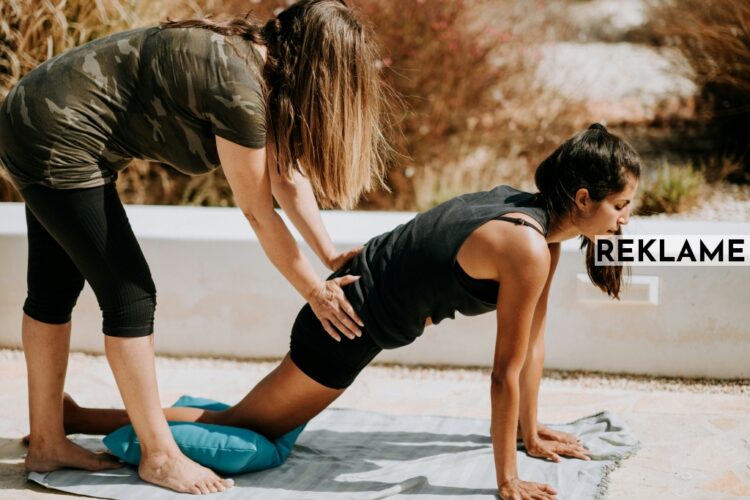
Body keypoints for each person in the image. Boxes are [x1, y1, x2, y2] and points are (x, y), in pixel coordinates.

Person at [55, 124, 641, 499]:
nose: (625, 221)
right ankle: (80, 420)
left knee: (250, 417)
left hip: (355, 309)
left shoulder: (541, 228)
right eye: (620, 205)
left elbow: (532, 346)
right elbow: (503, 372)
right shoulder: (527, 246)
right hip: (344, 324)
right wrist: (507, 479)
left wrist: (530, 434)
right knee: (246, 425)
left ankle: (86, 416)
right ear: (583, 199)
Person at [0, 0, 392, 494]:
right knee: (130, 295)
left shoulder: (258, 65)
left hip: (36, 113)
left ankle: (48, 441)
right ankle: (160, 456)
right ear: (319, 66)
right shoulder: (241, 91)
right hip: (56, 131)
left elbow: (287, 178)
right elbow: (257, 211)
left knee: (53, 290)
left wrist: (330, 255)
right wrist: (315, 291)